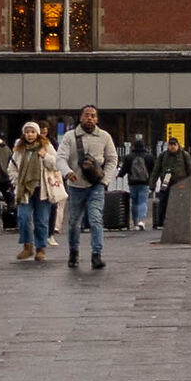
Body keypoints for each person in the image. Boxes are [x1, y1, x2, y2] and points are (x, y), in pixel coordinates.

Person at [60, 105, 118, 270]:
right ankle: (73, 252)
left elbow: (112, 158)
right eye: (86, 115)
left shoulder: (104, 136)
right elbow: (61, 158)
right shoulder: (70, 137)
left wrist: (105, 180)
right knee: (73, 223)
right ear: (80, 117)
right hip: (76, 186)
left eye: (93, 115)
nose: (90, 118)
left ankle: (96, 254)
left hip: (96, 186)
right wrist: (67, 172)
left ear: (97, 119)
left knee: (95, 219)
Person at [7, 121, 59, 261]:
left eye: (33, 132)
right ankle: (27, 246)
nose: (30, 135)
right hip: (24, 189)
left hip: (42, 188)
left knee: (41, 220)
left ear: (37, 133)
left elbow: (56, 164)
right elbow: (11, 168)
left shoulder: (46, 146)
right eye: (27, 132)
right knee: (23, 217)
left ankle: (41, 249)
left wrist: (45, 156)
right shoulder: (19, 149)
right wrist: (17, 180)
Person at [124, 136, 155, 232]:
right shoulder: (149, 156)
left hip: (132, 182)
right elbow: (153, 169)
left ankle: (135, 222)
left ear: (133, 146)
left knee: (134, 202)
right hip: (145, 182)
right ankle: (142, 221)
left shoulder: (129, 157)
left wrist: (119, 175)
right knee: (143, 201)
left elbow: (125, 169)